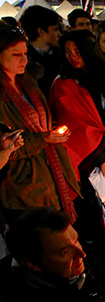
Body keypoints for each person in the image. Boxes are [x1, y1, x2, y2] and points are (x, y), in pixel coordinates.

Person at [0, 24, 79, 224]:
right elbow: (6, 145)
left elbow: (43, 120)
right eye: (16, 54)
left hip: (50, 172)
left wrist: (53, 131)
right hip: (24, 187)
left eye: (25, 53)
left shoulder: (28, 83)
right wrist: (43, 138)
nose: (24, 59)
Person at [50, 30, 105, 246]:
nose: (73, 57)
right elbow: (74, 124)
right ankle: (103, 245)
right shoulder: (63, 84)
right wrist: (101, 158)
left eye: (78, 51)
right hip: (85, 156)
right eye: (68, 52)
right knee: (94, 202)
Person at [19, 6, 63, 98]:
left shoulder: (64, 54)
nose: (59, 34)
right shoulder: (23, 60)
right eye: (55, 29)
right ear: (41, 31)